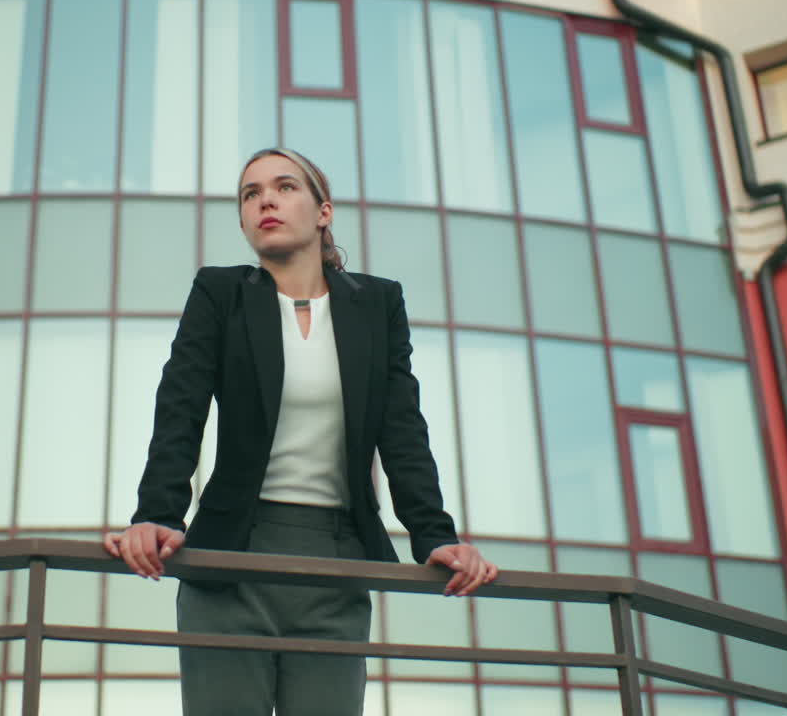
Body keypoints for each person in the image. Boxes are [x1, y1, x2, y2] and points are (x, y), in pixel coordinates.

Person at [105, 147, 497, 715]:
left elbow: (402, 427)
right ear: (243, 221)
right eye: (250, 193)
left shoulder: (378, 304)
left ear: (323, 212)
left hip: (335, 563)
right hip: (232, 555)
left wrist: (435, 535)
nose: (265, 198)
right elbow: (180, 408)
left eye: (285, 187)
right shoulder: (220, 294)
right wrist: (157, 515)